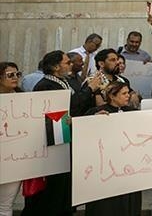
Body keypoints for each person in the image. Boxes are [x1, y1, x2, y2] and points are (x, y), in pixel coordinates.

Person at [23, 51, 101, 216]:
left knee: (65, 185)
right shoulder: (46, 86)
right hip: (53, 144)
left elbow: (75, 107)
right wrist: (89, 89)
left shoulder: (63, 82)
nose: (70, 64)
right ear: (55, 67)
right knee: (53, 188)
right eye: (67, 62)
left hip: (65, 138)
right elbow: (68, 108)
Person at [83, 81, 141, 216]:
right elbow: (82, 131)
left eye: (128, 93)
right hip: (105, 169)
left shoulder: (133, 112)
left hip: (128, 168)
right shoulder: (97, 112)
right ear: (112, 96)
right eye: (124, 93)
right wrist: (93, 120)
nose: (128, 96)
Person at [0, 62, 23, 216]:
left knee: (6, 205)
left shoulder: (25, 99)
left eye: (17, 74)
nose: (15, 78)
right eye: (10, 75)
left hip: (14, 158)